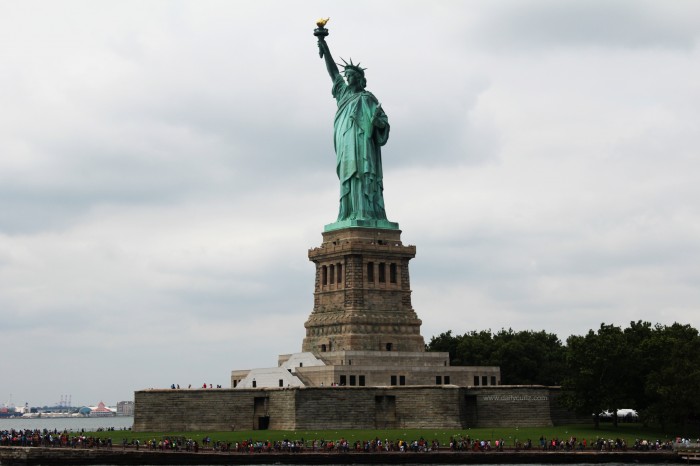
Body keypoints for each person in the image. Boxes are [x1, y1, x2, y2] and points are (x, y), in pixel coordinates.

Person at [317, 37, 390, 222]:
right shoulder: (342, 93)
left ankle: (367, 212)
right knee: (349, 176)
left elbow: (383, 122)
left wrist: (377, 123)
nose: (347, 78)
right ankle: (348, 213)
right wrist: (324, 46)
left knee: (363, 174)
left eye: (350, 75)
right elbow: (333, 72)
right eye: (346, 75)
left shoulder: (367, 98)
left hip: (363, 142)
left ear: (359, 79)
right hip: (346, 142)